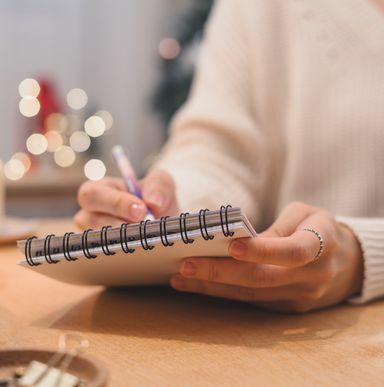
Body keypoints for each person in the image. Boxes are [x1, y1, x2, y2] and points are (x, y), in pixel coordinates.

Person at [74, 0, 384, 312]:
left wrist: (363, 256)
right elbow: (220, 153)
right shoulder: (256, 7)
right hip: (281, 338)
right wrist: (173, 208)